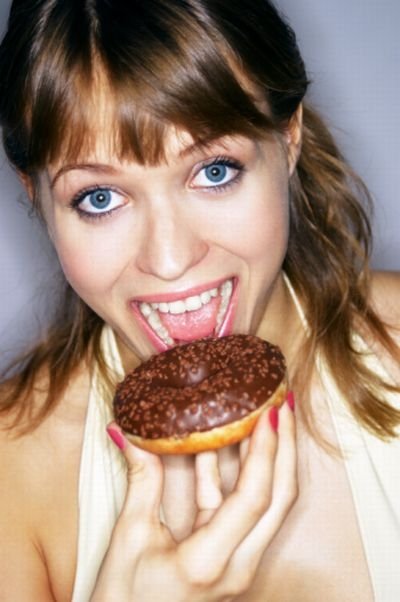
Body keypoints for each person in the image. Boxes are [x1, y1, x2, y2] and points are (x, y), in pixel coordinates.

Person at [0, 1, 399, 600]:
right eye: (100, 198)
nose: (168, 258)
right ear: (38, 199)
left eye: (214, 170)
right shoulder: (13, 466)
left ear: (287, 139)